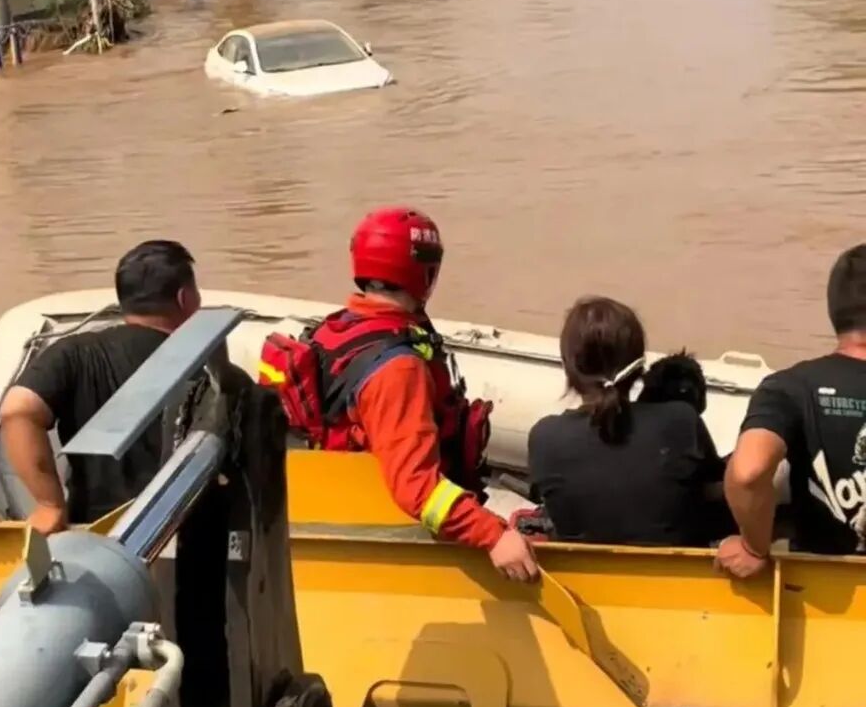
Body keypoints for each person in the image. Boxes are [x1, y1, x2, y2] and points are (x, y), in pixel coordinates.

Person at [258, 207, 538, 581]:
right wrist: (493, 535)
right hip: (393, 527)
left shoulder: (338, 328)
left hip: (342, 501)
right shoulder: (398, 370)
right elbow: (417, 490)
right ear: (424, 273)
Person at [0, 239, 200, 533]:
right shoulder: (205, 362)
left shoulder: (75, 352)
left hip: (91, 532)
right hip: (178, 532)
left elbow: (17, 410)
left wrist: (49, 504)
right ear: (184, 298)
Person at [718, 244, 866, 577]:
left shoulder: (790, 387)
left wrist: (754, 547)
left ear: (834, 310)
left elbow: (748, 473)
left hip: (821, 588)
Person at [528, 297, 724, 547]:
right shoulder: (680, 420)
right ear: (639, 365)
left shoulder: (545, 437)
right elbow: (718, 488)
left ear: (568, 367)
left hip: (579, 581)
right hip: (676, 581)